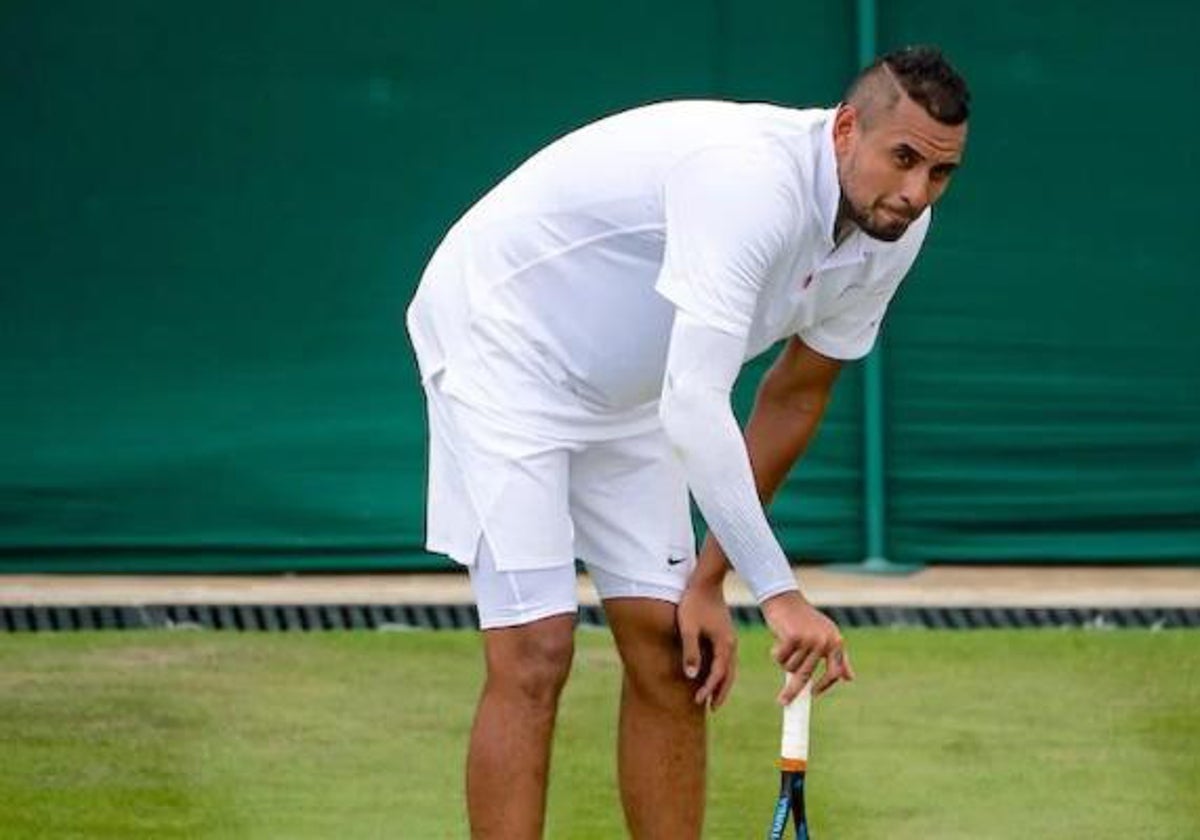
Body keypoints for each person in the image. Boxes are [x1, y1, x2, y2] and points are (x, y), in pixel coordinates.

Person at [407, 45, 969, 839]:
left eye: (939, 173)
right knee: (536, 648)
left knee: (675, 654)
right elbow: (697, 403)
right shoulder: (750, 184)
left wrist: (711, 579)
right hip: (505, 345)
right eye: (903, 158)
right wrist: (778, 594)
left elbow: (795, 394)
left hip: (642, 391)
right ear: (847, 129)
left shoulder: (894, 232)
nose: (915, 193)